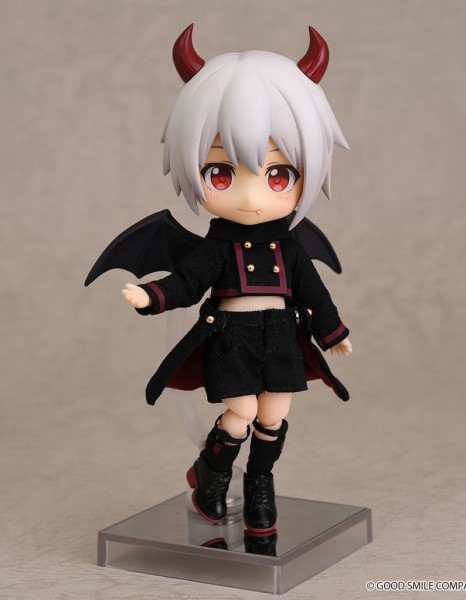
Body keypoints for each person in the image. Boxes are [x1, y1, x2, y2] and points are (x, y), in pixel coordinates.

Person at [122, 24, 352, 533]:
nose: (250, 197)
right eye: (221, 174)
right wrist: (151, 295)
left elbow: (313, 291)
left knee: (273, 415)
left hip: (282, 335)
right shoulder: (216, 247)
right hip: (232, 338)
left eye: (277, 175)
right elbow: (187, 282)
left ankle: (260, 485)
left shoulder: (289, 246)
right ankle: (212, 473)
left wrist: (333, 332)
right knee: (241, 412)